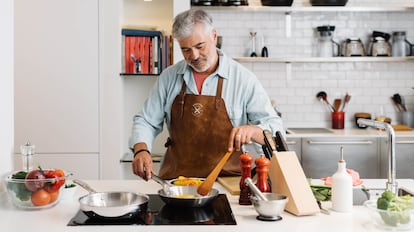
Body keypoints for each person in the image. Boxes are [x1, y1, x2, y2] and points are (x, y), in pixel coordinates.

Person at [129, 9, 284, 180]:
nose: (194, 56)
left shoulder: (243, 79)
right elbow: (146, 121)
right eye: (186, 50)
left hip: (229, 182)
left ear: (214, 36)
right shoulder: (169, 77)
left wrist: (254, 131)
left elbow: (276, 129)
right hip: (178, 183)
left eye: (199, 46)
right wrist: (141, 149)